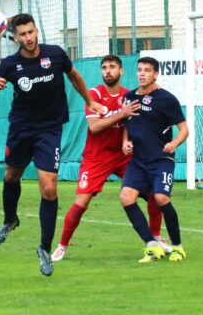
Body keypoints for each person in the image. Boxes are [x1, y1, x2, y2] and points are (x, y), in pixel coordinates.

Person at [0, 13, 104, 276]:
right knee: (11, 174)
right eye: (22, 34)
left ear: (37, 31)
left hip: (49, 130)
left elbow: (74, 76)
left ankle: (45, 248)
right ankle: (10, 220)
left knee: (49, 188)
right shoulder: (10, 65)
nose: (28, 38)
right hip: (21, 129)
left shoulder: (56, 54)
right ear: (14, 37)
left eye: (31, 32)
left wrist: (90, 101)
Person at [51, 55, 169, 262]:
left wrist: (128, 140)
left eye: (112, 67)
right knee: (81, 202)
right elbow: (95, 127)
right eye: (104, 67)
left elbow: (136, 123)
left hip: (124, 157)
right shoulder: (94, 94)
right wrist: (121, 114)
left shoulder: (130, 95)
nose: (108, 71)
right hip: (96, 157)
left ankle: (156, 237)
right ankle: (62, 246)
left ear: (121, 71)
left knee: (153, 192)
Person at [120, 57, 189, 263]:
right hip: (138, 160)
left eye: (147, 70)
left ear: (156, 74)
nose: (142, 74)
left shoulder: (166, 99)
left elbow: (184, 129)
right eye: (140, 70)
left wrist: (174, 143)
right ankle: (152, 245)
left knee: (161, 198)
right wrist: (125, 142)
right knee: (126, 198)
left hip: (161, 159)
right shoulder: (129, 97)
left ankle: (178, 246)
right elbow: (126, 124)